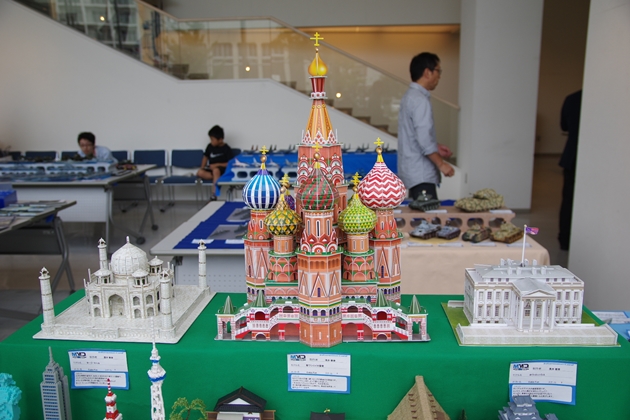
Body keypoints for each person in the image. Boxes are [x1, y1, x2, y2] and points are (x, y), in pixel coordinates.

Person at [398, 52, 454, 201]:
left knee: (417, 213)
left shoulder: (409, 96)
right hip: (422, 174)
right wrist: (441, 164)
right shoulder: (420, 100)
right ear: (427, 72)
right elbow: (423, 138)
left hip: (413, 173)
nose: (439, 77)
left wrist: (436, 146)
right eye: (438, 71)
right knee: (426, 215)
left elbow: (415, 134)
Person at [558, 90, 582, 251]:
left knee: (568, 200)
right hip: (594, 158)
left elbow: (564, 125)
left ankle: (565, 239)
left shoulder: (573, 98)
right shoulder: (605, 99)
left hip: (572, 156)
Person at [196, 125, 232, 201]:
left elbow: (230, 163)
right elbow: (205, 157)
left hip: (222, 170)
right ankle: (216, 178)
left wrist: (217, 165)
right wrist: (202, 167)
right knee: (199, 172)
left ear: (220, 139)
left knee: (216, 170)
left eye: (212, 139)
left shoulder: (226, 149)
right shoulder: (210, 147)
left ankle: (214, 195)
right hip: (211, 170)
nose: (211, 141)